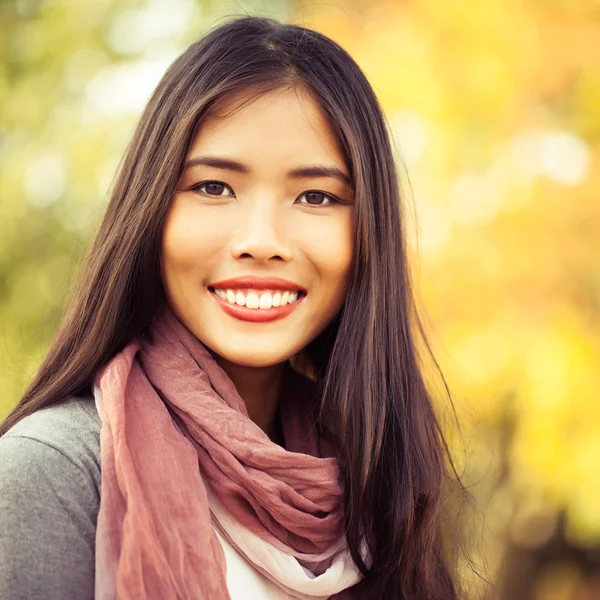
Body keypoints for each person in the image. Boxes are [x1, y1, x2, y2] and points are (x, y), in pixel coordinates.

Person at [0, 15, 473, 600]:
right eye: (214, 187)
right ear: (150, 210)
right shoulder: (53, 472)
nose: (261, 239)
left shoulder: (379, 488)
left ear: (367, 235)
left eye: (316, 196)